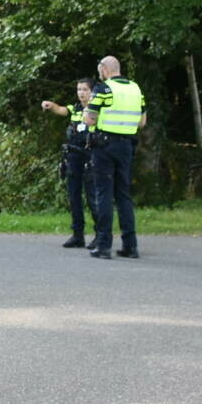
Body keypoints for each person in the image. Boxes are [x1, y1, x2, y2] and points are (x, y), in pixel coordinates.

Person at [83, 55, 146, 261]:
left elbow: (90, 118)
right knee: (123, 195)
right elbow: (142, 122)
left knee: (103, 194)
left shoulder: (104, 89)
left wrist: (87, 115)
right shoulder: (135, 88)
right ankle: (130, 245)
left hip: (104, 145)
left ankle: (103, 245)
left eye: (100, 69)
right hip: (126, 145)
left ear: (104, 69)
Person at [41, 78, 97, 248]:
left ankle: (100, 234)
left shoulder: (97, 109)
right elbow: (62, 110)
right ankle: (77, 234)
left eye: (85, 89)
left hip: (90, 156)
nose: (81, 93)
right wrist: (51, 105)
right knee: (74, 195)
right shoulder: (76, 108)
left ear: (93, 92)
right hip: (73, 156)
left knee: (92, 196)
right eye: (79, 89)